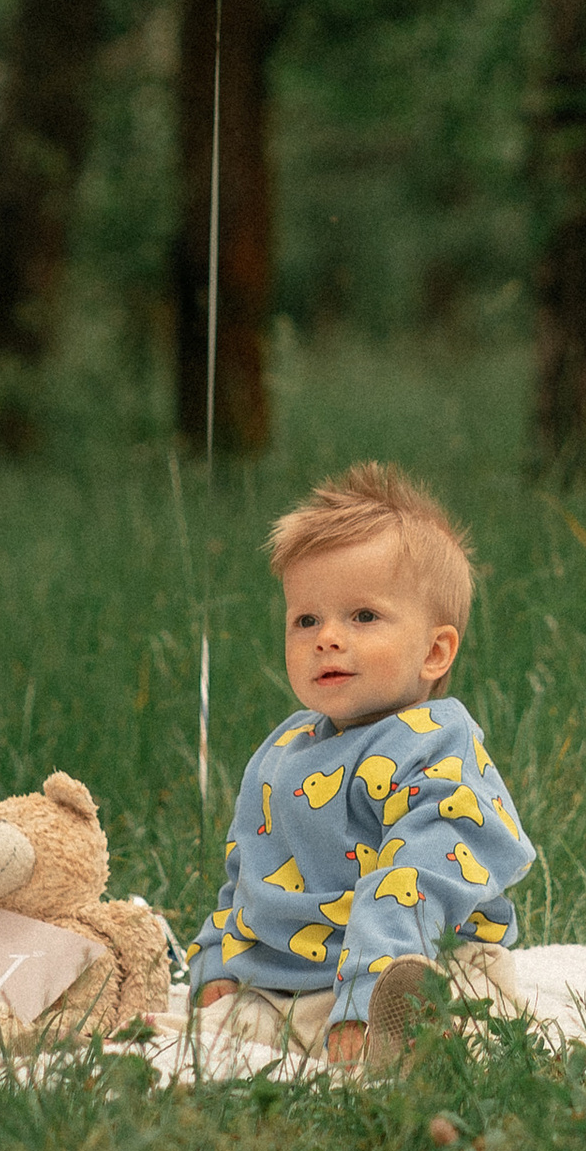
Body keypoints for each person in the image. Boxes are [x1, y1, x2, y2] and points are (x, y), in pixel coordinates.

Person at [190, 459, 534, 1074]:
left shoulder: (432, 748)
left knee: (473, 1006)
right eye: (306, 620)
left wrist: (364, 996)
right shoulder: (287, 747)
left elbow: (419, 880)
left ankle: (402, 1033)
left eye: (363, 616)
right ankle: (321, 1032)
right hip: (294, 974)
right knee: (219, 1040)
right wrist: (219, 958)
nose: (327, 637)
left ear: (434, 651)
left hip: (423, 955)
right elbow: (249, 866)